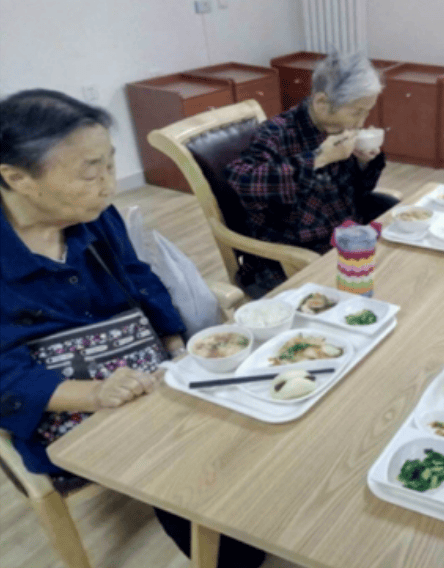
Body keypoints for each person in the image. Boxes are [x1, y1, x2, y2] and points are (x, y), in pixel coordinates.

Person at [0, 90, 264, 568]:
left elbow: (140, 278)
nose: (109, 184)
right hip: (65, 405)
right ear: (17, 177)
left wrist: (175, 347)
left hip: (147, 372)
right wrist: (96, 394)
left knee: (254, 404)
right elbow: (6, 378)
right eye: (91, 172)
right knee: (191, 468)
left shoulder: (95, 217)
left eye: (110, 164)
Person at [226, 51, 399, 297]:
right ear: (321, 102)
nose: (361, 123)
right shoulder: (276, 133)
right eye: (356, 112)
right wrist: (318, 158)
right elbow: (242, 180)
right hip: (293, 258)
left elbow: (359, 192)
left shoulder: (338, 131)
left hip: (347, 242)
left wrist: (363, 163)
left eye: (366, 112)